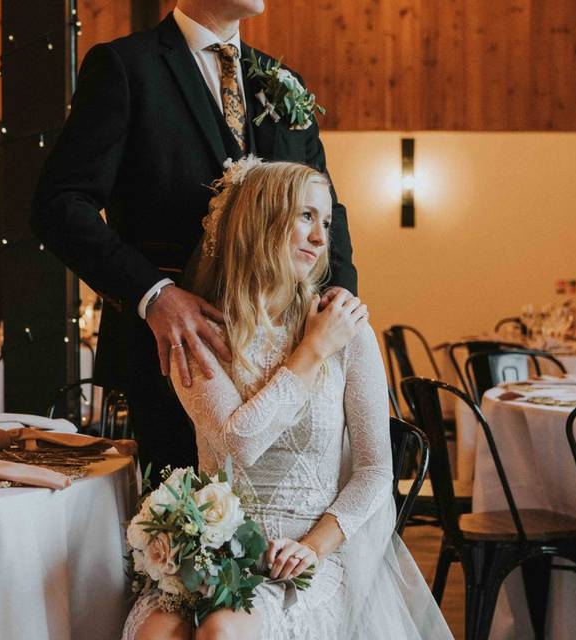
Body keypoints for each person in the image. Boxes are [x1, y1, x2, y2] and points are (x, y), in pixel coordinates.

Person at [123, 160, 452, 640]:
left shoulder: (349, 330)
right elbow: (241, 444)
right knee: (156, 635)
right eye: (305, 216)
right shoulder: (198, 334)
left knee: (224, 632)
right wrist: (312, 349)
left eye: (326, 222)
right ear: (259, 221)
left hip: (310, 554)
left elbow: (376, 471)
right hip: (217, 550)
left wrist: (314, 548)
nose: (321, 238)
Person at [31, 0, 356, 478]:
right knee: (196, 534)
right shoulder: (125, 68)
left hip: (287, 352)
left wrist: (339, 299)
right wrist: (153, 295)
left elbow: (328, 204)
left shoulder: (281, 79)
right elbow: (59, 205)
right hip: (180, 355)